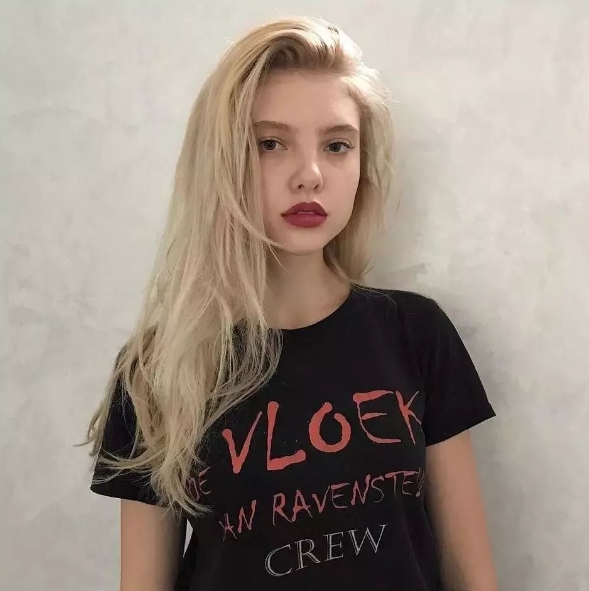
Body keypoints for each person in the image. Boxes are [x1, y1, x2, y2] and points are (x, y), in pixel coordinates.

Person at [85, 15, 498, 591]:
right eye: (270, 144)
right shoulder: (159, 371)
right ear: (221, 160)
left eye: (337, 145)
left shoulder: (415, 333)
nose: (310, 176)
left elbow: (470, 574)